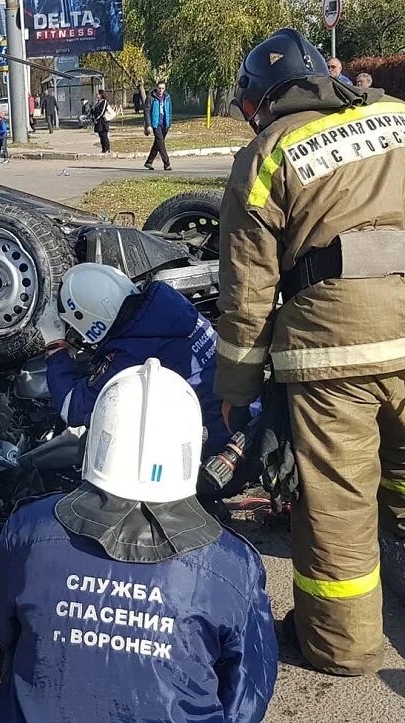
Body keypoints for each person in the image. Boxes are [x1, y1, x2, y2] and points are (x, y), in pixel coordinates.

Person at [219, 27, 405, 676]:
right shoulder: (398, 118)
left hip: (335, 354)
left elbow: (247, 290)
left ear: (263, 101)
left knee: (340, 506)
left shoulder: (269, 154)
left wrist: (236, 393)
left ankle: (342, 645)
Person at [0, 359, 278, 723]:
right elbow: (247, 696)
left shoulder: (28, 530)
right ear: (190, 448)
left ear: (97, 439)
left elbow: (6, 631)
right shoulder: (231, 566)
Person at [39, 263, 231, 483]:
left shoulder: (132, 353)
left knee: (104, 429)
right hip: (246, 421)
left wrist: (55, 346)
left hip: (212, 460)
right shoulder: (169, 307)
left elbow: (71, 406)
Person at [144, 80, 172, 170]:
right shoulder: (151, 97)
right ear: (156, 88)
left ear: (165, 88)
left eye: (162, 88)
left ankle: (149, 162)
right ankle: (166, 164)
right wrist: (148, 125)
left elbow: (170, 110)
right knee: (161, 143)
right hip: (155, 124)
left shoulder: (167, 97)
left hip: (165, 123)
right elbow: (147, 112)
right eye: (159, 88)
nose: (161, 90)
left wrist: (169, 122)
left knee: (158, 143)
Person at [91, 89, 111, 154]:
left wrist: (97, 118)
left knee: (104, 135)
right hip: (98, 122)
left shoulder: (104, 102)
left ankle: (107, 149)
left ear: (101, 94)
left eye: (98, 94)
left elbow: (102, 111)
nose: (97, 95)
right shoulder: (97, 102)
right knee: (100, 136)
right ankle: (103, 149)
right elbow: (94, 110)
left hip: (103, 122)